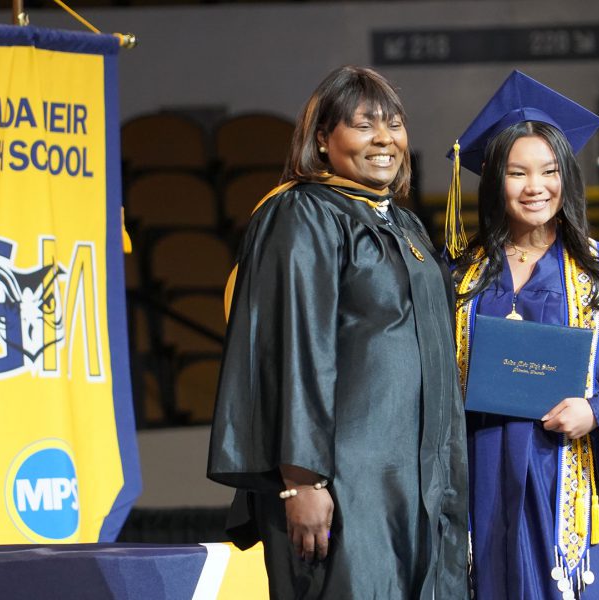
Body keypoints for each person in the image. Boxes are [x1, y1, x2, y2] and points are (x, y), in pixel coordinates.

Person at [207, 66, 469, 600]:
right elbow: (296, 349)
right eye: (363, 124)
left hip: (416, 478)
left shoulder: (405, 223)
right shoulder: (302, 213)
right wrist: (303, 481)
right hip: (346, 480)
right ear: (322, 140)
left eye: (393, 124)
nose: (385, 139)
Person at [448, 71, 599, 600]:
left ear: (567, 178)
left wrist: (596, 412)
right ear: (494, 181)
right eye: (517, 173)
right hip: (484, 479)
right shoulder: (459, 278)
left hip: (571, 476)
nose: (535, 187)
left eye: (549, 171)